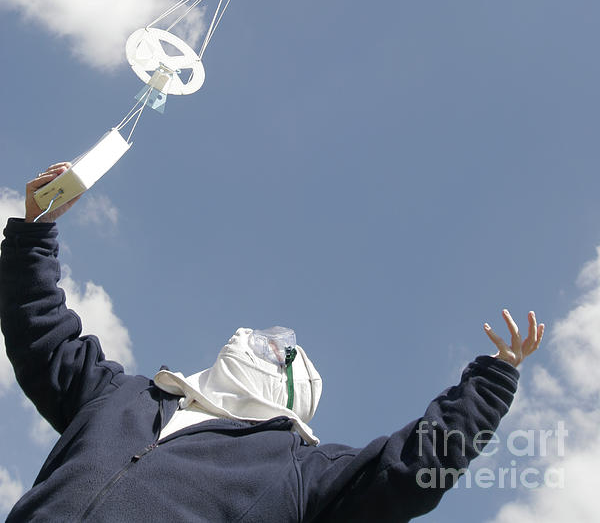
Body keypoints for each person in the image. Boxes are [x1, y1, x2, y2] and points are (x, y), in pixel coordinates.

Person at [0, 163, 544, 523]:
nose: (260, 340)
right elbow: (41, 329)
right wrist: (33, 231)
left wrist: (493, 381)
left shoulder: (299, 470)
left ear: (294, 399)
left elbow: (411, 470)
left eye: (280, 348)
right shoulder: (121, 397)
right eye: (258, 335)